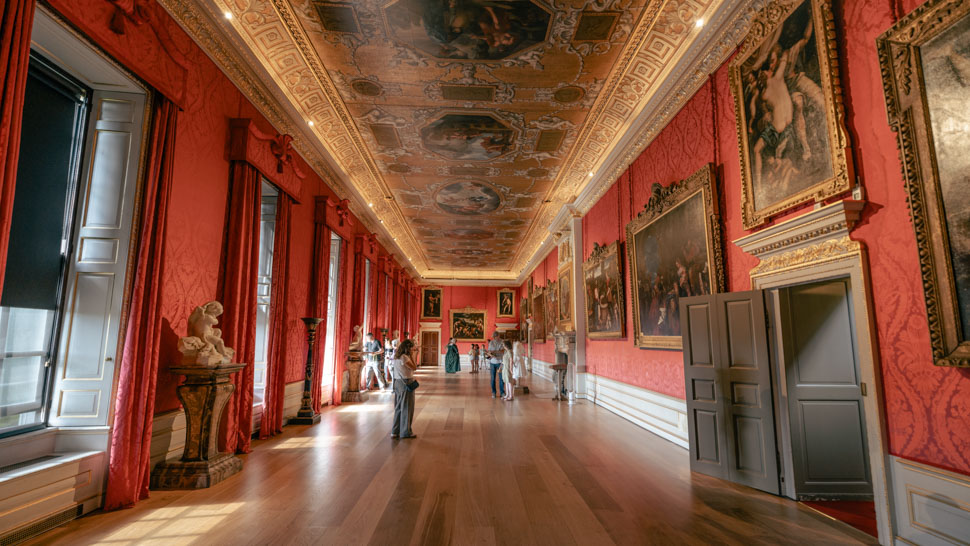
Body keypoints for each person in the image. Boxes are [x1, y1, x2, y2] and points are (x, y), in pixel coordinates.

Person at [390, 338, 417, 439]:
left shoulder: (397, 357)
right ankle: (406, 432)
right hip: (406, 382)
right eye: (411, 348)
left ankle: (395, 431)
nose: (412, 350)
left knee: (398, 407)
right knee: (407, 407)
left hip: (397, 382)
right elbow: (414, 367)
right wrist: (413, 356)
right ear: (408, 348)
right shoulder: (404, 357)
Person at [485, 331, 505, 398]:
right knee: (493, 378)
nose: (496, 338)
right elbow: (489, 352)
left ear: (498, 336)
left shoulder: (502, 341)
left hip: (500, 362)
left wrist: (495, 351)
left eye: (497, 336)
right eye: (495, 337)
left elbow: (503, 351)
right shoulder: (491, 342)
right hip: (492, 362)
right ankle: (493, 392)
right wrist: (490, 354)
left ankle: (502, 392)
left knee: (501, 378)